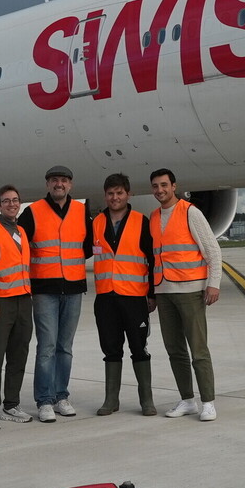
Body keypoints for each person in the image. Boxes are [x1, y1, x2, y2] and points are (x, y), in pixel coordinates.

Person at [148, 168, 223, 421]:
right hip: (164, 291)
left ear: (174, 186)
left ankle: (208, 402)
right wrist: (153, 291)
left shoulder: (190, 212)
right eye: (156, 186)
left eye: (164, 185)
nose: (160, 190)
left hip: (191, 290)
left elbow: (212, 250)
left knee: (198, 350)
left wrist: (213, 284)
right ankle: (187, 400)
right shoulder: (153, 217)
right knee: (175, 350)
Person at [19, 165, 93, 422]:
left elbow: (87, 247)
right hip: (44, 289)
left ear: (70, 185)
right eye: (53, 180)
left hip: (73, 287)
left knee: (65, 347)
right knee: (47, 347)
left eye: (63, 180)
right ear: (47, 184)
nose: (58, 184)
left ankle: (62, 396)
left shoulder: (82, 212)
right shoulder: (32, 212)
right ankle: (44, 400)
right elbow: (18, 246)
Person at [91, 173, 155, 416]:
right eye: (110, 193)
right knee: (110, 349)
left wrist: (152, 295)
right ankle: (111, 400)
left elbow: (152, 260)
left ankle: (146, 401)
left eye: (119, 193)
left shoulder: (141, 222)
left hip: (134, 297)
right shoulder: (97, 222)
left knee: (139, 347)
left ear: (128, 195)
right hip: (106, 297)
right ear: (105, 196)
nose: (114, 197)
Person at [0, 185, 36, 429]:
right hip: (0, 302)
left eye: (15, 200)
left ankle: (11, 405)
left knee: (18, 356)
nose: (12, 204)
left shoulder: (21, 231)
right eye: (6, 201)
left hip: (23, 300)